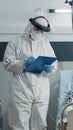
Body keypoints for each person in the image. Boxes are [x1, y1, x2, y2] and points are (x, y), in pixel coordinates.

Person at [3, 11, 58, 130]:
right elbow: (7, 64)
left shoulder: (45, 43)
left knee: (39, 123)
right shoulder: (15, 42)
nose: (39, 32)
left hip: (41, 90)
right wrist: (23, 62)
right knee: (19, 125)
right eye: (37, 29)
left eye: (42, 30)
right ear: (31, 25)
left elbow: (54, 63)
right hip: (21, 89)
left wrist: (50, 68)